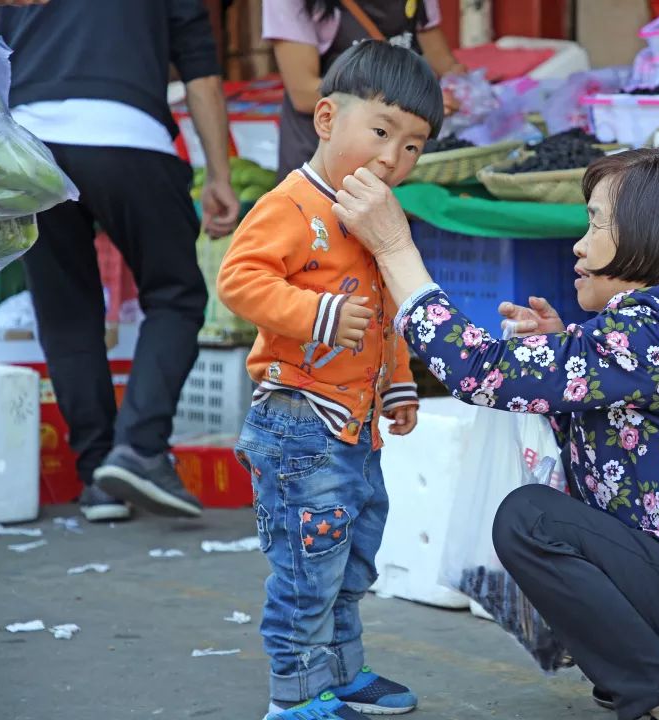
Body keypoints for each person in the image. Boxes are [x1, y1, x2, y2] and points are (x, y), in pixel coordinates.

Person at [333, 147, 659, 720]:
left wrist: (393, 246)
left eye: (597, 221)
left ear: (649, 235)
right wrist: (562, 372)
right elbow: (624, 465)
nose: (580, 244)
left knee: (533, 518)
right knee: (556, 514)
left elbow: (476, 370)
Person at [216, 41, 436, 720]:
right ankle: (297, 696)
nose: (393, 158)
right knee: (308, 571)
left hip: (355, 426)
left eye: (413, 146)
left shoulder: (373, 217)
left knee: (353, 559)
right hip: (298, 425)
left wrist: (397, 380)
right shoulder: (292, 204)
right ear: (326, 118)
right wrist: (317, 312)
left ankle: (341, 671)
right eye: (380, 132)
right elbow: (239, 280)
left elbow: (385, 312)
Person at [0, 1, 240, 522]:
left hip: (34, 143)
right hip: (131, 138)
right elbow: (201, 76)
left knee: (66, 315)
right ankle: (140, 448)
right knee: (176, 295)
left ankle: (99, 476)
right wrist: (219, 174)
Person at [264, 0, 464, 179]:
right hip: (319, 147)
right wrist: (405, 101)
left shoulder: (393, 157)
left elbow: (441, 60)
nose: (390, 159)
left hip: (393, 159)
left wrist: (462, 88)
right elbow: (303, 91)